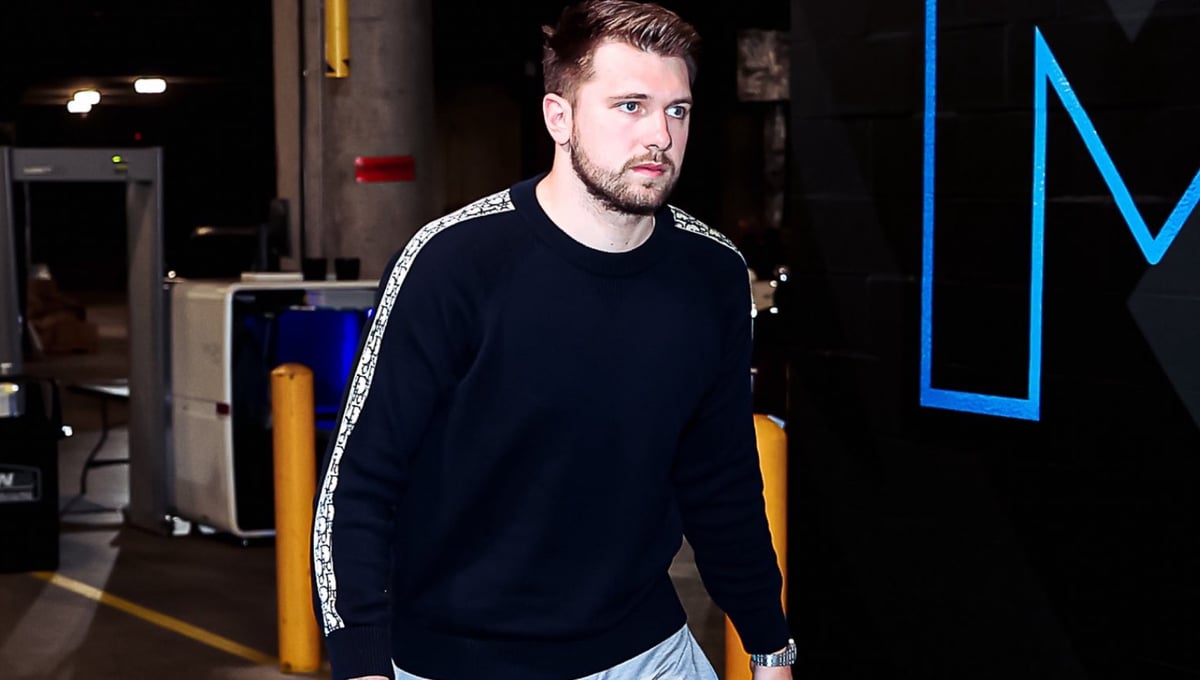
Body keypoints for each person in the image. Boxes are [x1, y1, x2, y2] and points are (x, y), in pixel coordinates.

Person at [311, 1, 794, 678]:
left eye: (677, 110)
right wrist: (362, 660)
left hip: (645, 649)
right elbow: (359, 483)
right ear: (558, 118)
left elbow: (722, 480)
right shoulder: (452, 263)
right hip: (460, 658)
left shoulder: (711, 271)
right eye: (630, 106)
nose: (660, 135)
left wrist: (770, 645)